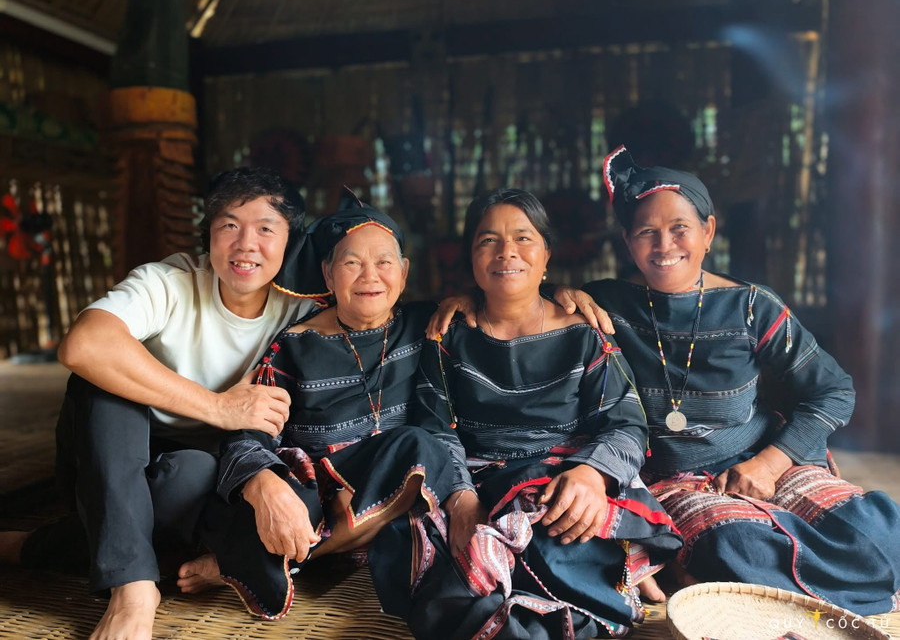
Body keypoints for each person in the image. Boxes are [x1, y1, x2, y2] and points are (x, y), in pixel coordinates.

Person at [0, 167, 325, 640]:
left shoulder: (302, 308)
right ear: (208, 234)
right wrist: (217, 407)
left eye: (266, 228)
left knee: (195, 472)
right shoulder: (170, 282)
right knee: (105, 382)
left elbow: (382, 314)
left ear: (291, 241)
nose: (245, 244)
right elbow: (82, 346)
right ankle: (133, 586)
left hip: (193, 475)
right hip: (105, 458)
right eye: (229, 225)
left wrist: (464, 300)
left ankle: (35, 548)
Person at [574, 145, 900, 615]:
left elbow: (834, 390)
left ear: (708, 232)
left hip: (767, 460)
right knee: (735, 548)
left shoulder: (752, 308)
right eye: (647, 232)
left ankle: (740, 584)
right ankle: (783, 579)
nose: (664, 245)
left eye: (679, 228)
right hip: (677, 481)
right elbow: (523, 304)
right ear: (628, 242)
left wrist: (769, 466)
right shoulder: (603, 305)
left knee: (882, 533)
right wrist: (558, 295)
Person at [372, 188, 682, 640]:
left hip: (562, 479)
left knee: (557, 541)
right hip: (476, 482)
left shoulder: (584, 335)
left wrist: (592, 477)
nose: (506, 253)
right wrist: (460, 498)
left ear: (546, 255)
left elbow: (625, 422)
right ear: (472, 259)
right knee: (420, 550)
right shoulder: (448, 337)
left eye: (523, 238)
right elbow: (433, 428)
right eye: (488, 241)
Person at [182, 193, 456, 620]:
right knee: (408, 461)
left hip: (391, 493)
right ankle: (287, 552)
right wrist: (266, 486)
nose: (370, 276)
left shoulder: (428, 325)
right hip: (317, 498)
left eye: (384, 262)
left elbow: (510, 301)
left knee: (423, 454)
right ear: (328, 273)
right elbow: (248, 433)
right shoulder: (295, 346)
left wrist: (562, 293)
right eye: (351, 263)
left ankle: (252, 563)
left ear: (403, 273)